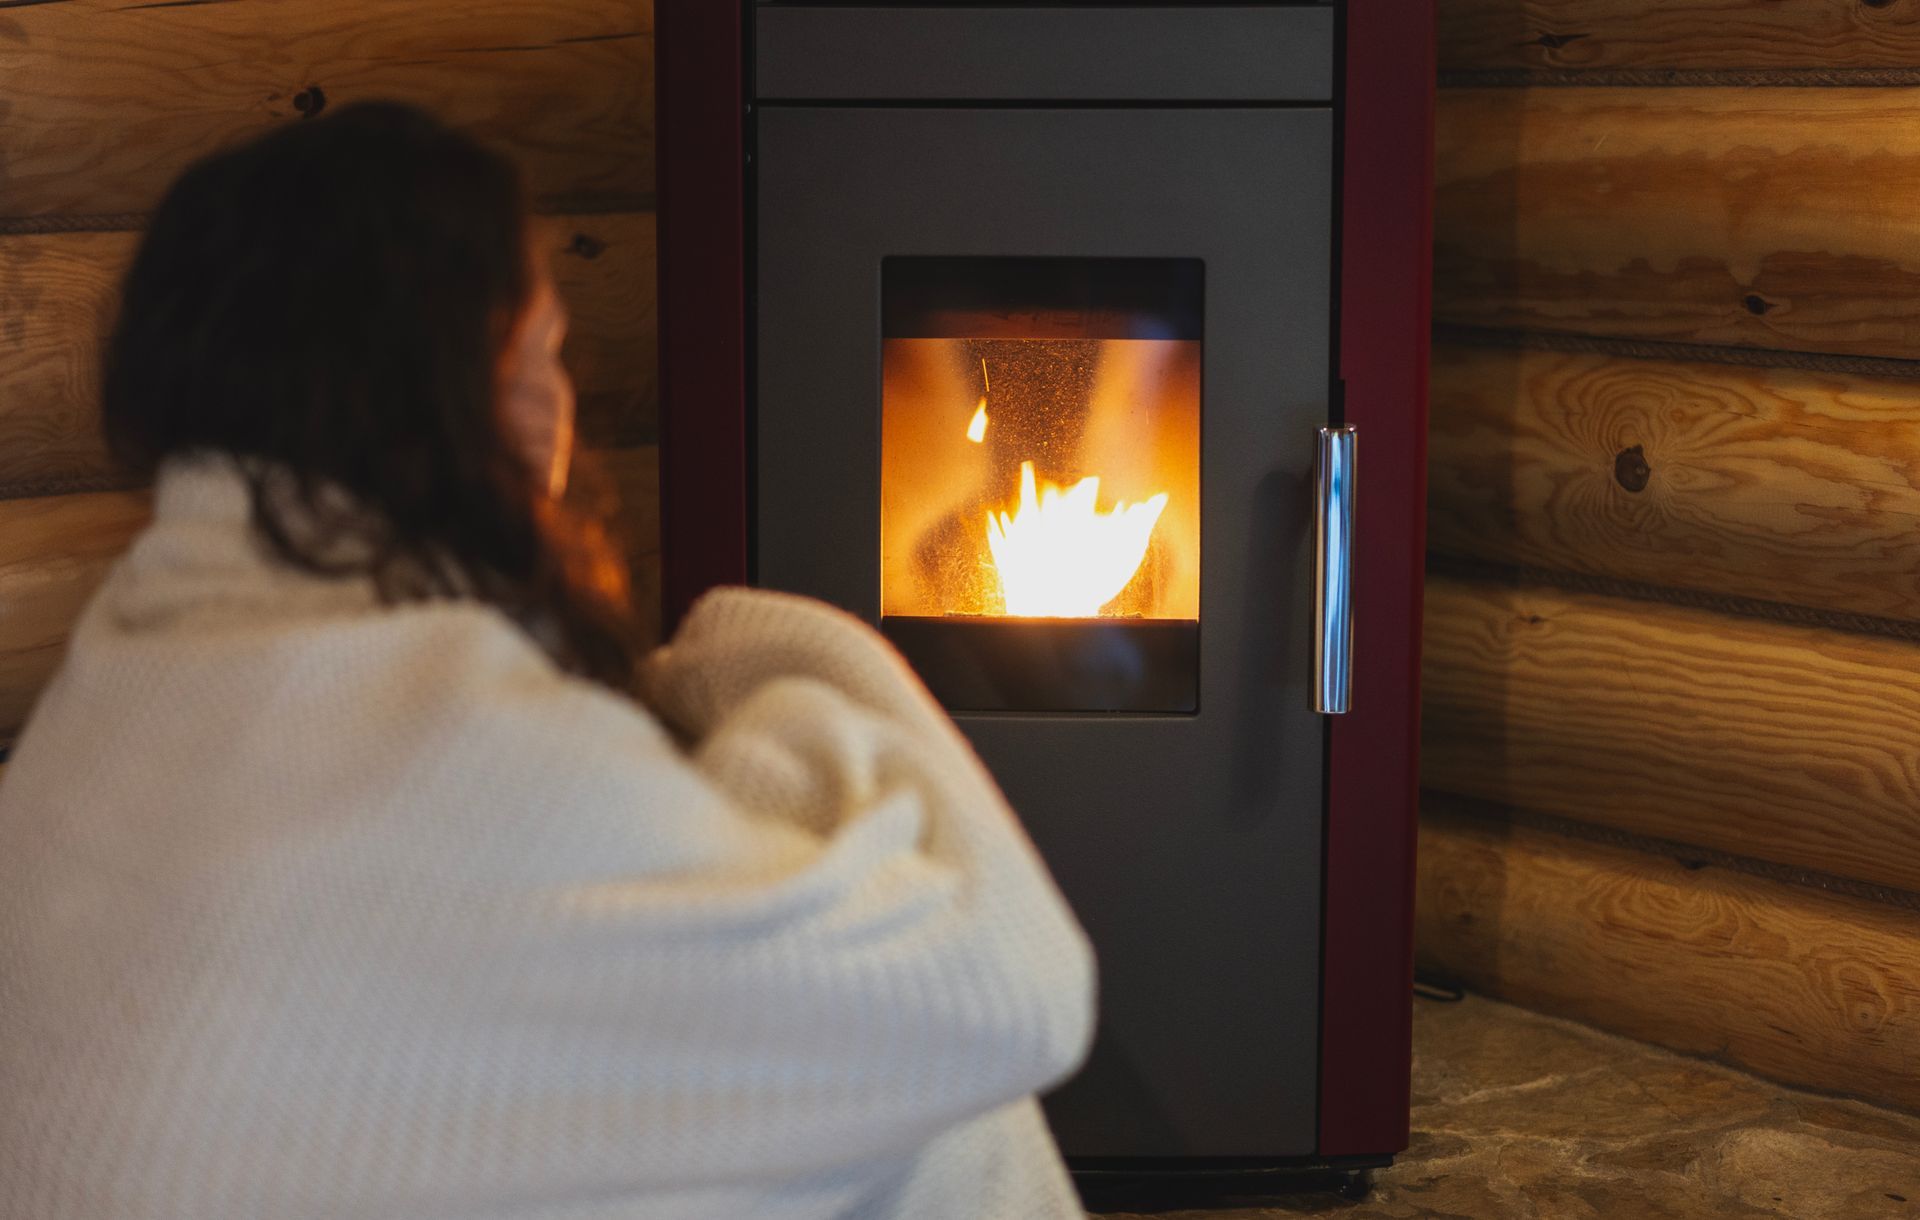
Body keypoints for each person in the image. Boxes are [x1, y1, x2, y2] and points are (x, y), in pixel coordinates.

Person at [0, 102, 1095, 1220]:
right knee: (934, 1120)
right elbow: (1014, 988)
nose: (563, 399)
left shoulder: (124, 671)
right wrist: (759, 651)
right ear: (482, 392)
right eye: (547, 348)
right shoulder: (454, 747)